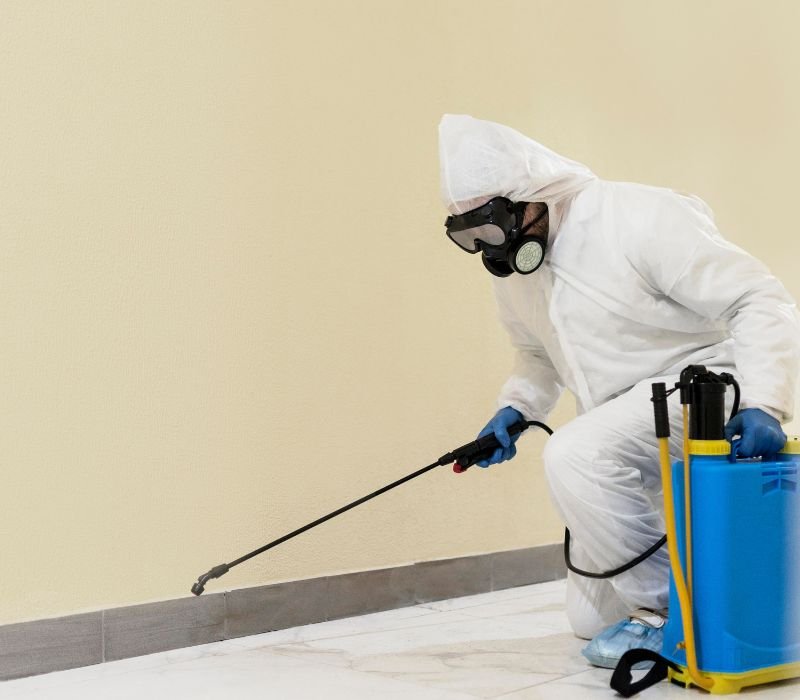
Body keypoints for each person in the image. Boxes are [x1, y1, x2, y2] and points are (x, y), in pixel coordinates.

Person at [438, 114, 800, 668]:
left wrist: (765, 400)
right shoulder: (517, 275)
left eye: (497, 223)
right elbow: (536, 353)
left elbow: (758, 298)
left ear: (535, 195)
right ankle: (679, 589)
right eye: (473, 235)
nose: (495, 245)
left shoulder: (638, 216)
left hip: (699, 392)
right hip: (619, 422)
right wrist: (515, 407)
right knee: (587, 622)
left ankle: (667, 620)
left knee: (576, 453)